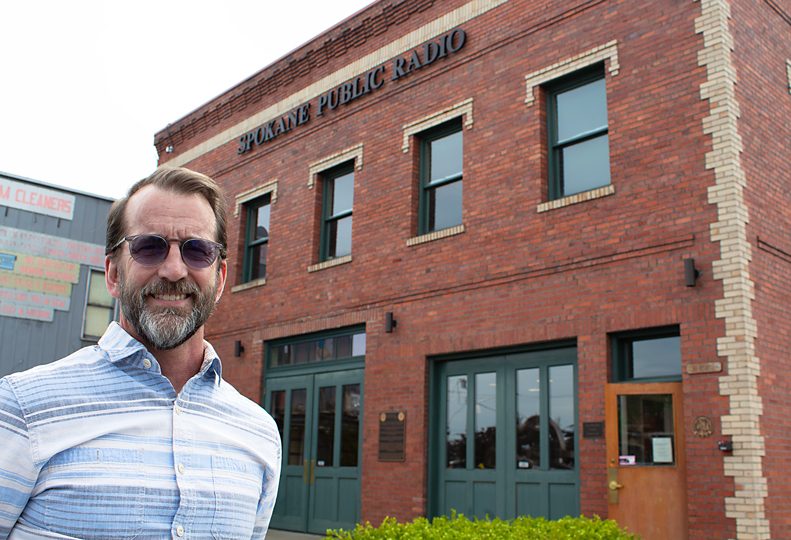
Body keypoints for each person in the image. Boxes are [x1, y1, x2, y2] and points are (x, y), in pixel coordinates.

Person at [0, 167, 281, 539]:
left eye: (197, 251)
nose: (174, 270)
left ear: (220, 280)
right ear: (113, 274)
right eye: (149, 247)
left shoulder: (259, 435)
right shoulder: (21, 408)